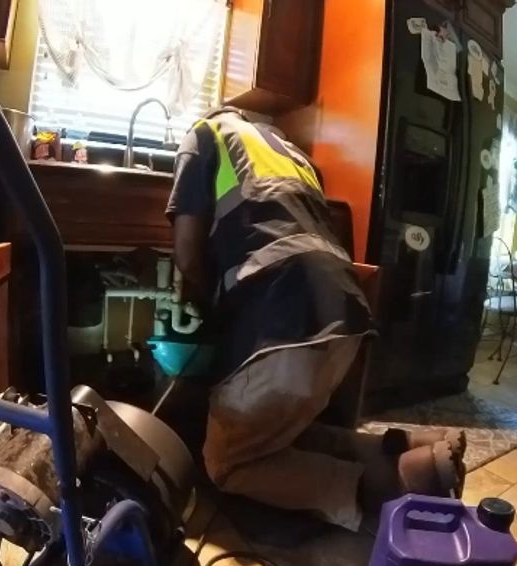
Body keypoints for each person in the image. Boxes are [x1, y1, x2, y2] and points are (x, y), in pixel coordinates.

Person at [166, 106, 466, 531]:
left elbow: (187, 254)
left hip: (284, 317)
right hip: (347, 314)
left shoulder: (204, 132)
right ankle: (412, 448)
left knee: (226, 463)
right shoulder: (292, 152)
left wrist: (209, 315)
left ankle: (388, 485)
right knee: (280, 432)